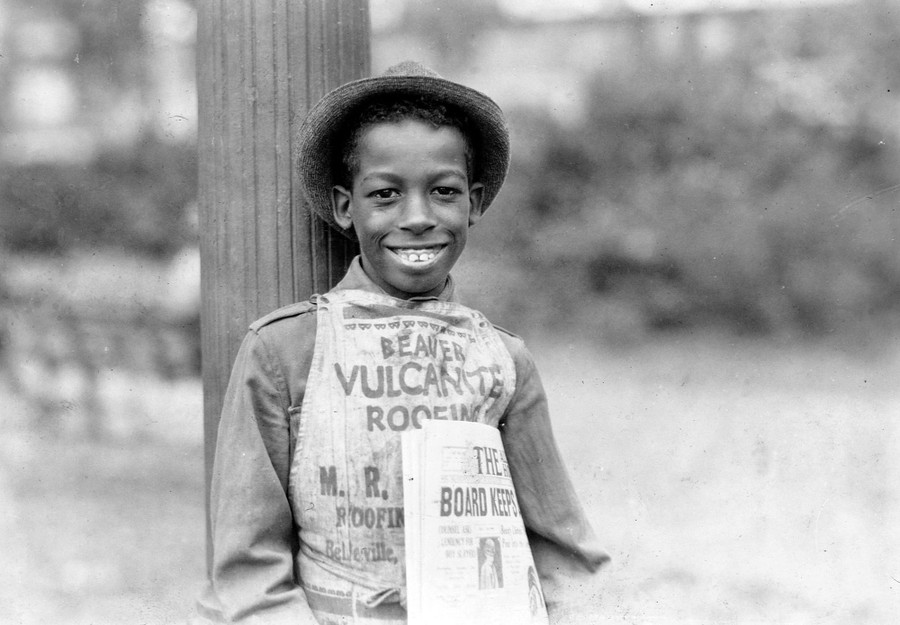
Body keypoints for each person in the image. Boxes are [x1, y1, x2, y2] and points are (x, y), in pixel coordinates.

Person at [197, 61, 609, 625]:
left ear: (475, 201)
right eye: (386, 194)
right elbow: (249, 569)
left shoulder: (502, 360)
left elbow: (564, 552)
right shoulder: (285, 350)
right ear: (347, 206)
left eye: (443, 192)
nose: (417, 218)